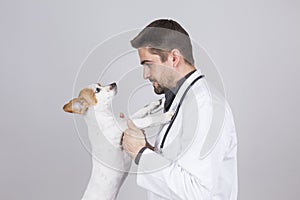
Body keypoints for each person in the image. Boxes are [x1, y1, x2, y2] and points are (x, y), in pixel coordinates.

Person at [122, 19, 238, 200]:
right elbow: (180, 167)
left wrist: (141, 154)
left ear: (174, 58)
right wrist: (147, 149)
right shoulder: (185, 100)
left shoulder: (205, 106)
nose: (145, 75)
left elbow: (198, 192)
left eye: (148, 64)